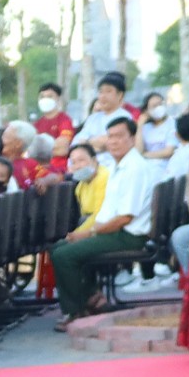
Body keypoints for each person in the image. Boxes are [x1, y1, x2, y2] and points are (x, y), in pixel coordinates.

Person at [50, 113, 157, 315]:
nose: (113, 142)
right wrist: (88, 231)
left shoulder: (134, 168)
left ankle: (76, 311)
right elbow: (108, 214)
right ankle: (91, 297)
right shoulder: (118, 165)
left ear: (132, 139)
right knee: (58, 247)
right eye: (110, 136)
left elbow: (125, 218)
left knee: (64, 256)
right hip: (114, 231)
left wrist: (89, 234)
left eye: (119, 136)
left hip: (129, 236)